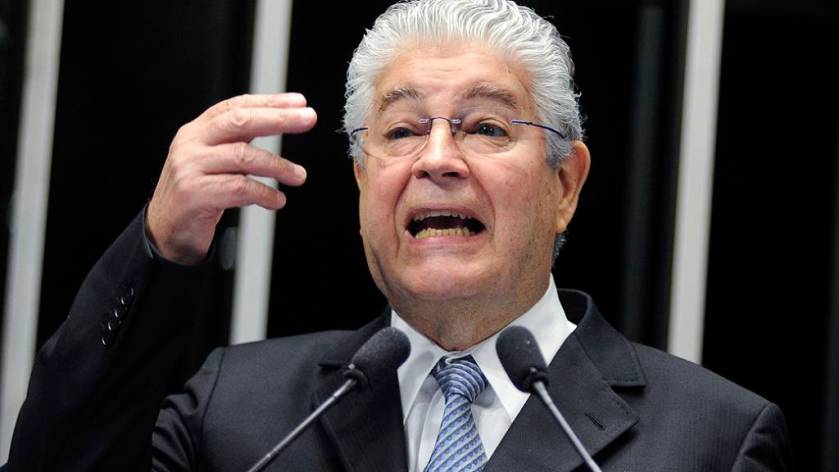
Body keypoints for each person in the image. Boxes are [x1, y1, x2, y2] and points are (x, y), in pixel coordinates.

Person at [5, 0, 792, 471]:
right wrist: (160, 247)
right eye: (403, 130)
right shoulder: (239, 413)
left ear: (564, 184)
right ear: (361, 181)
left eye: (486, 127)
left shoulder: (711, 440)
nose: (436, 159)